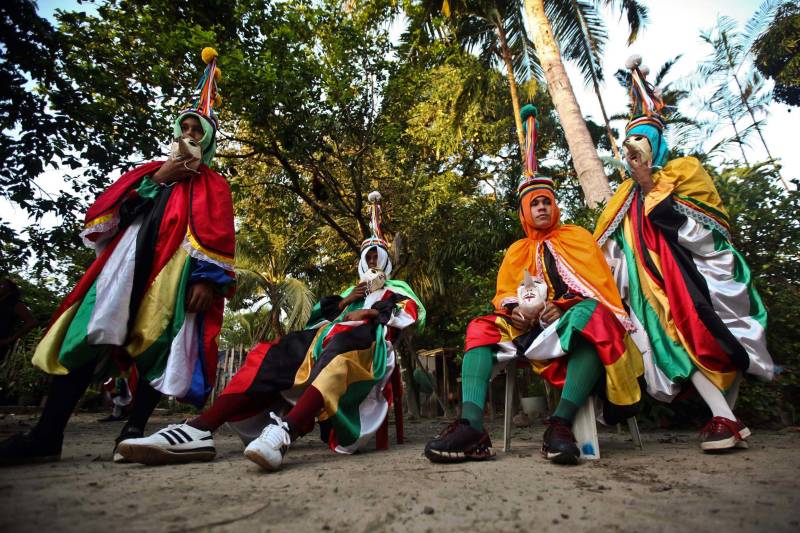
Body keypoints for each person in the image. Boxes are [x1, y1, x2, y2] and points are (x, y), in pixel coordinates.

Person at [0, 48, 235, 465]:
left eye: (197, 131)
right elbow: (108, 218)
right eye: (183, 128)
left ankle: (133, 432)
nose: (189, 135)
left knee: (155, 340)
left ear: (209, 140)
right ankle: (47, 435)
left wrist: (205, 279)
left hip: (173, 274)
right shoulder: (148, 173)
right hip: (121, 270)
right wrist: (160, 179)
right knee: (86, 334)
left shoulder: (214, 184)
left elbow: (217, 233)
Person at [119, 191, 425, 471]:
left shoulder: (397, 288)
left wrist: (369, 312)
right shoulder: (349, 291)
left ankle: (284, 431)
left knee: (341, 351)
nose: (372, 260)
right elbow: (318, 318)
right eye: (368, 256)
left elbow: (409, 315)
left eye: (377, 256)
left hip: (368, 344)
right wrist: (347, 301)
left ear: (385, 260)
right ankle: (200, 428)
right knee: (271, 351)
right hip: (323, 339)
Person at [424, 105, 643, 465]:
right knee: (480, 327)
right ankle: (472, 427)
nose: (541, 207)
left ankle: (560, 425)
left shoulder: (577, 237)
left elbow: (599, 288)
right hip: (526, 327)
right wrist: (517, 311)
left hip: (571, 320)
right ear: (524, 213)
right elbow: (504, 295)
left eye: (547, 201)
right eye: (534, 203)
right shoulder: (517, 250)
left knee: (593, 319)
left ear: (554, 206)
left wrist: (564, 305)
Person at [593, 55, 774, 452]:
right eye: (629, 143)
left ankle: (726, 418)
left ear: (658, 143)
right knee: (675, 348)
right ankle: (724, 419)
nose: (633, 149)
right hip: (653, 293)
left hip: (698, 277)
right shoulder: (623, 195)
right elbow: (613, 250)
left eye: (642, 141)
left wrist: (652, 187)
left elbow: (705, 232)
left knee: (725, 339)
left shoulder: (685, 172)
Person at [0, 278, 39, 363]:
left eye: (1, 285)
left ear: (9, 289)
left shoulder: (15, 304)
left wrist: (10, 339)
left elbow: (32, 322)